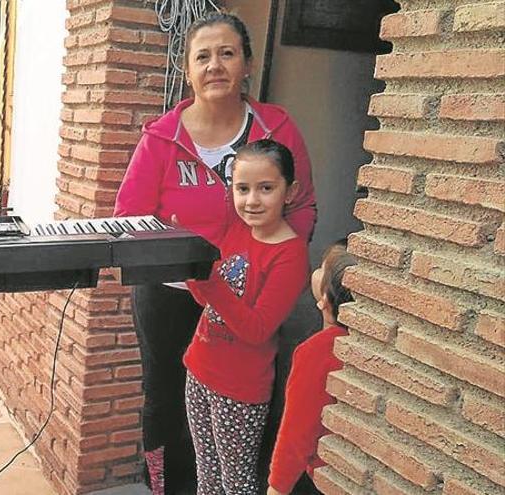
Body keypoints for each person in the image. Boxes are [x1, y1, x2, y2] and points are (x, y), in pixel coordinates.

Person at [113, 12, 316, 494]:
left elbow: (302, 205)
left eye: (227, 53)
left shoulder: (276, 128)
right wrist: (178, 269)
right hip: (168, 293)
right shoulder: (161, 138)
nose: (216, 65)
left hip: (247, 297)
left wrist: (280, 267)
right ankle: (166, 487)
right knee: (166, 396)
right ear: (188, 69)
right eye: (203, 56)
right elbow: (129, 217)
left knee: (244, 398)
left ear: (247, 63)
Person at [184, 139, 309, 494]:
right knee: (206, 473)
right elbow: (207, 300)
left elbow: (256, 329)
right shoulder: (236, 228)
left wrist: (206, 279)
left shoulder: (290, 254)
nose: (252, 200)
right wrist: (189, 265)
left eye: (266, 188)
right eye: (242, 188)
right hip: (200, 368)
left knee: (236, 483)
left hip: (239, 388)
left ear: (290, 191)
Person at [267, 241, 356, 495]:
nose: (315, 271)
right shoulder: (362, 343)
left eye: (321, 269)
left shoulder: (318, 352)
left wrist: (276, 487)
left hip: (324, 477)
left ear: (325, 301)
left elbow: (296, 434)